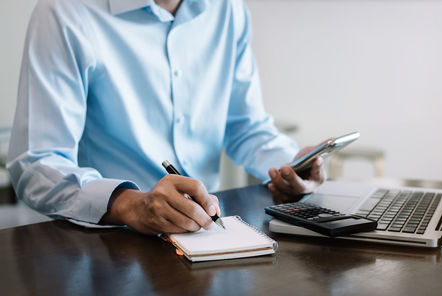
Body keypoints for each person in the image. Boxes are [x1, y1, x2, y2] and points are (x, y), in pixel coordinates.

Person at [7, 0, 326, 235]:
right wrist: (129, 203)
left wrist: (290, 167)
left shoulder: (228, 10)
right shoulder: (63, 12)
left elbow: (246, 126)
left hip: (207, 231)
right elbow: (36, 164)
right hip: (106, 240)